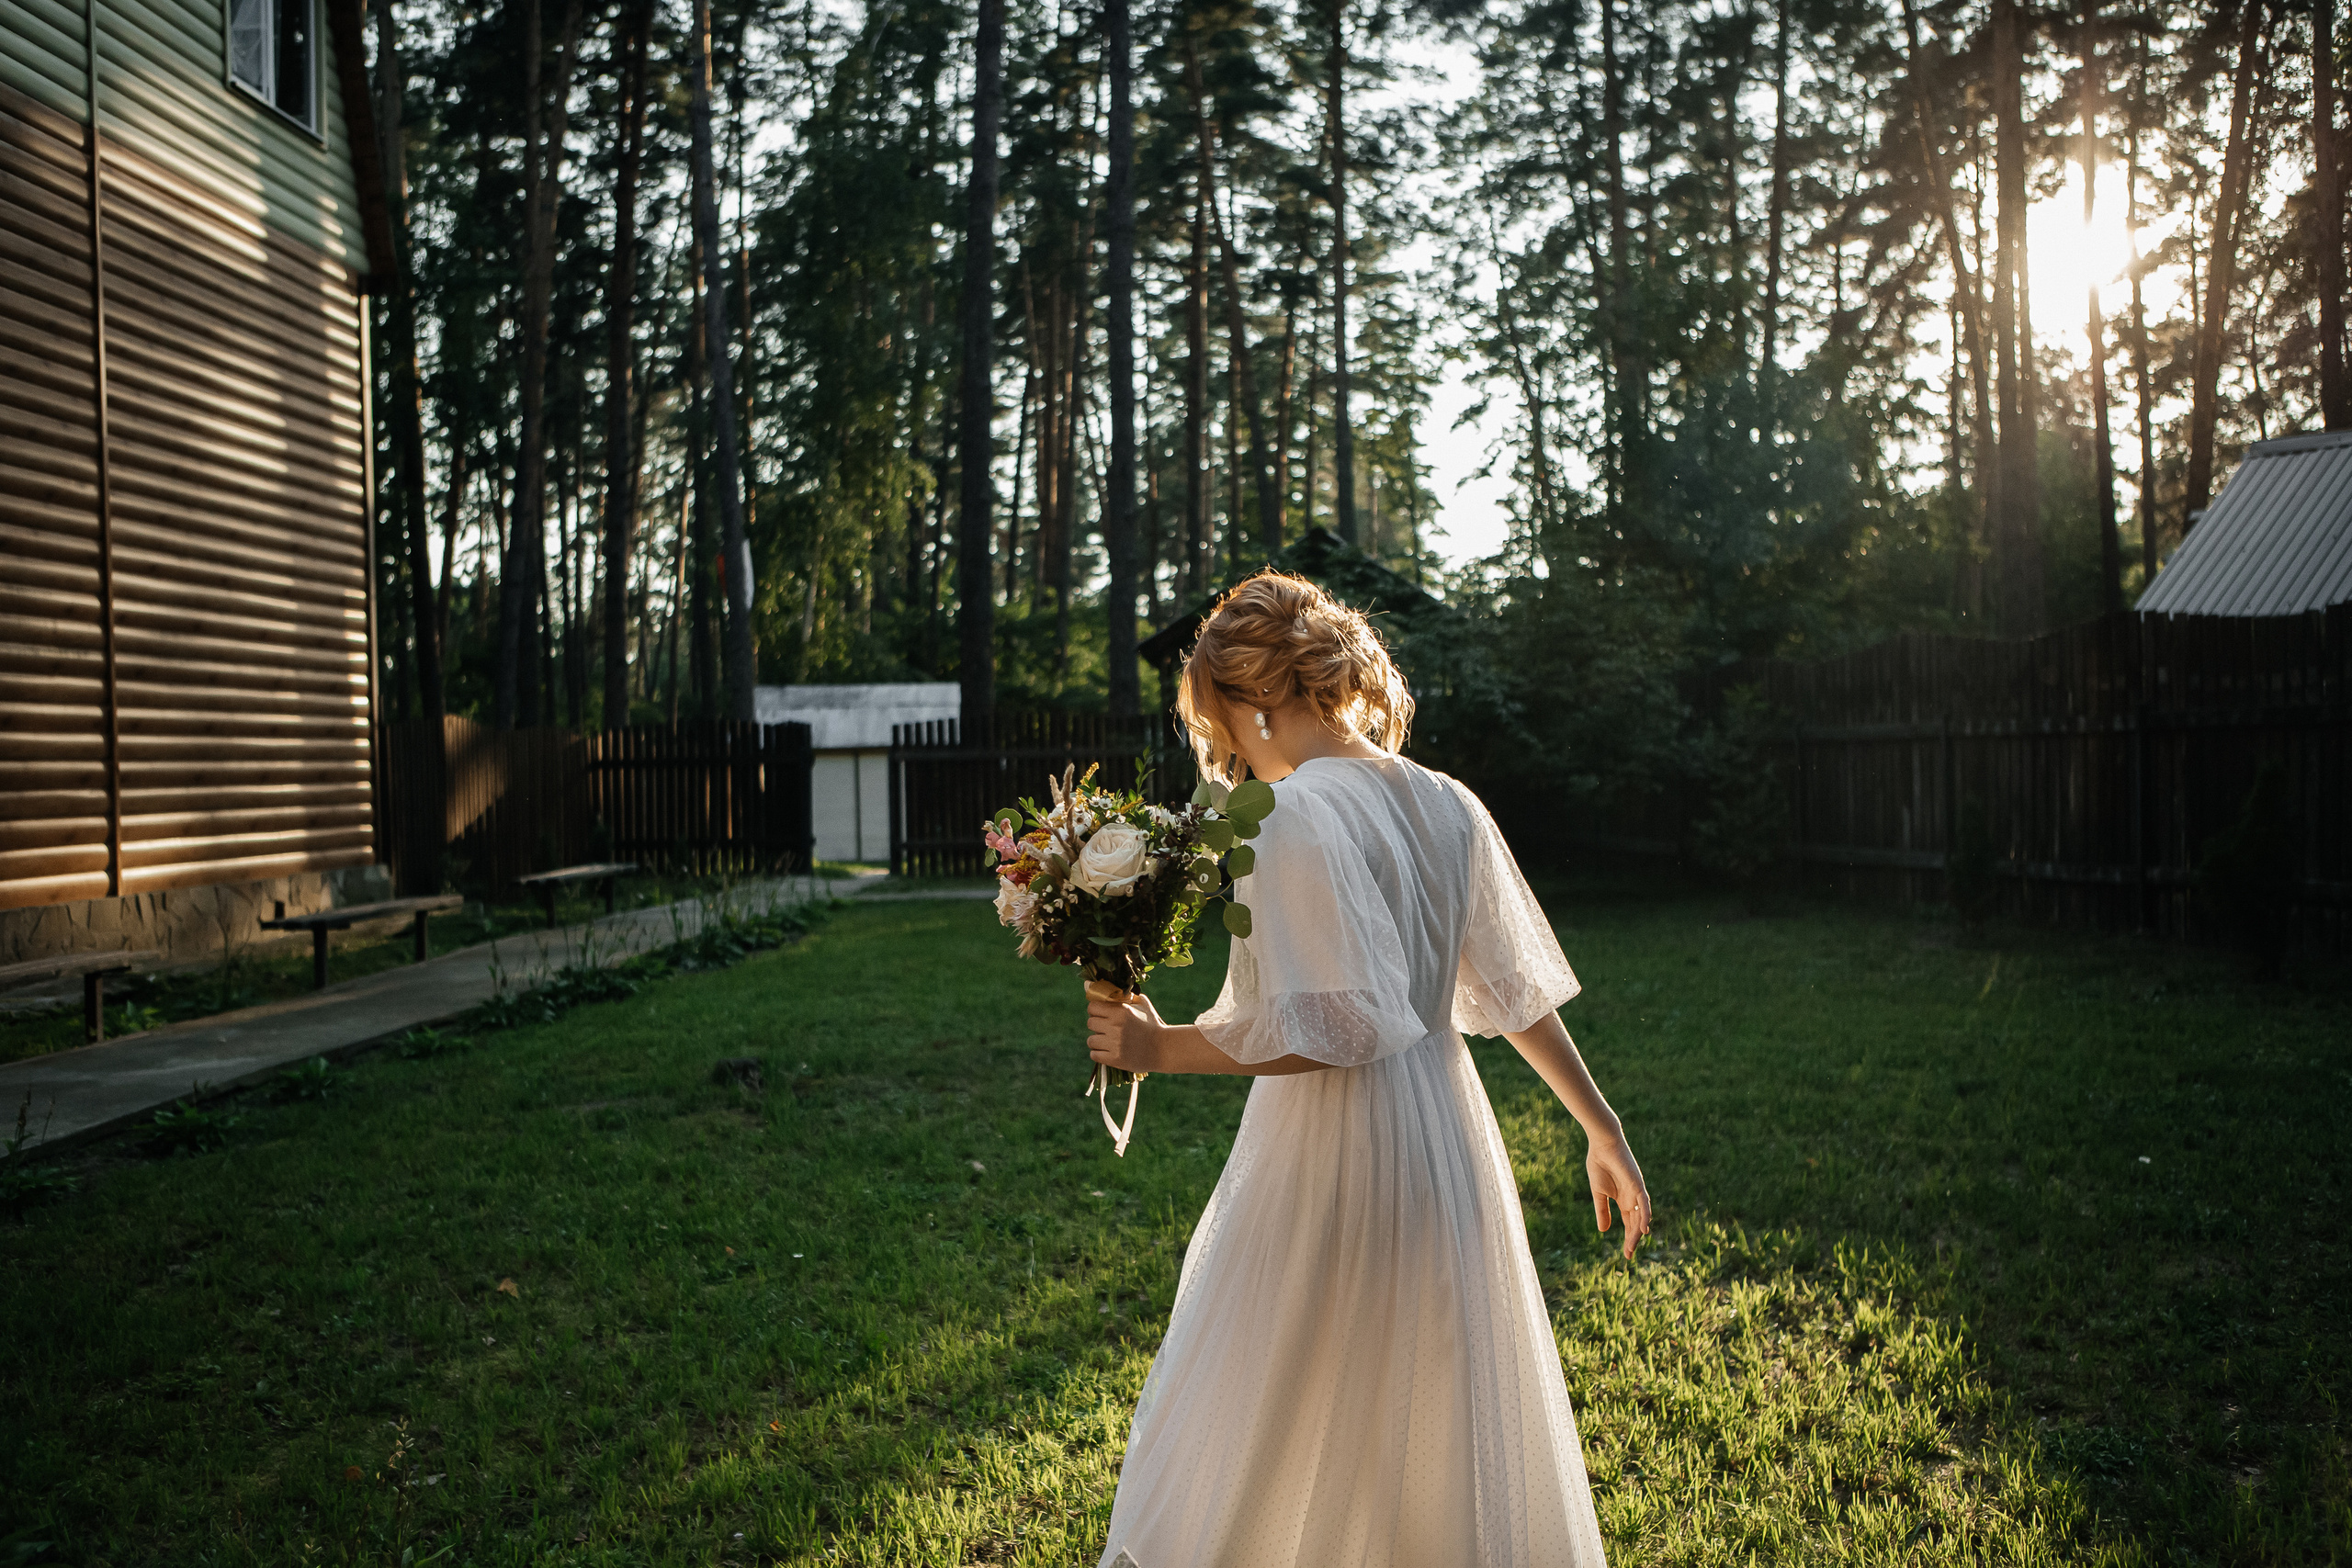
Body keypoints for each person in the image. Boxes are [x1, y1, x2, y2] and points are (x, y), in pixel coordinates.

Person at [1084, 570, 1650, 1568]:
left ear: (1254, 701)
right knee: (1422, 1418)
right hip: (1447, 1143)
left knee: (1274, 1398)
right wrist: (1599, 1126)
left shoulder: (1289, 817)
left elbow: (1335, 1028)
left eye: (1216, 722)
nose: (1219, 750)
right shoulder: (1444, 801)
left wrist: (1154, 1048)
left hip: (1334, 1149)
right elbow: (1513, 993)